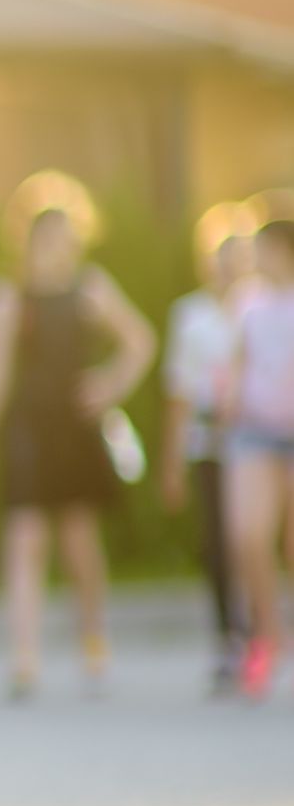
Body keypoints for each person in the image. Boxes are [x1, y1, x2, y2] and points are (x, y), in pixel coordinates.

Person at [0, 172, 157, 699]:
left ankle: (93, 640)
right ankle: (24, 656)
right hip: (28, 428)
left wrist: (111, 383)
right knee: (24, 537)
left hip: (76, 425)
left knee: (79, 540)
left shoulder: (90, 288)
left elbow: (140, 340)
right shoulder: (6, 295)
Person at [163, 203, 259, 691]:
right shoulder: (191, 317)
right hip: (210, 444)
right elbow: (179, 392)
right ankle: (229, 637)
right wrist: (172, 461)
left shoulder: (265, 308)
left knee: (253, 538)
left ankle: (262, 630)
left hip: (259, 442)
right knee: (219, 542)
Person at [221, 215, 294, 699]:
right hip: (253, 431)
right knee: (247, 534)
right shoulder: (245, 301)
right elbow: (235, 360)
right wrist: (227, 397)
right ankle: (268, 635)